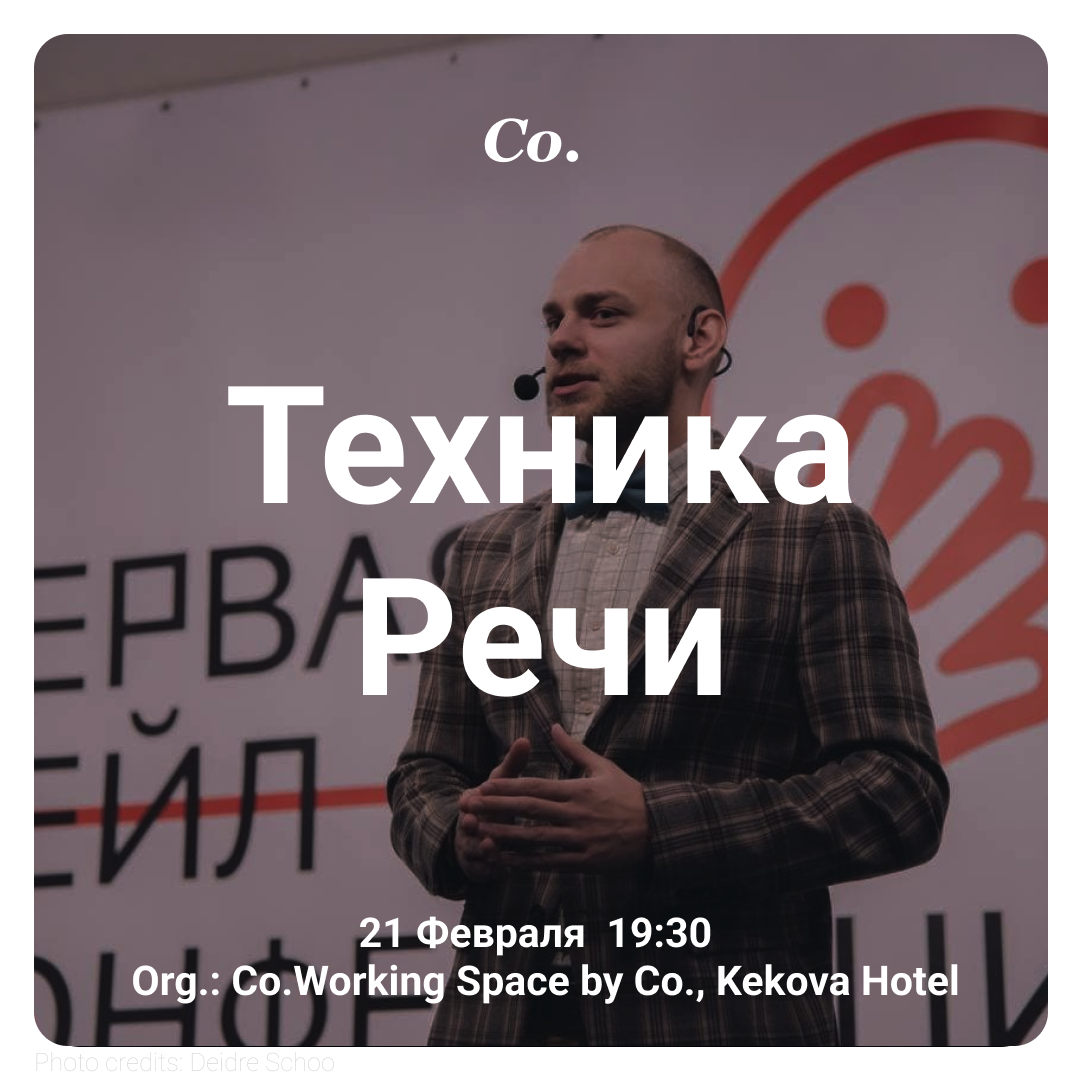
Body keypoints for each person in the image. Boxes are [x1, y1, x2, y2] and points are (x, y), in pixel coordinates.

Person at [387, 224, 948, 1046]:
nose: (562, 340)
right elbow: (423, 774)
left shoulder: (812, 533)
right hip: (498, 1030)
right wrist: (459, 832)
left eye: (603, 313)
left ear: (699, 337)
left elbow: (899, 793)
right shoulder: (482, 551)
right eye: (553, 319)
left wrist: (658, 825)